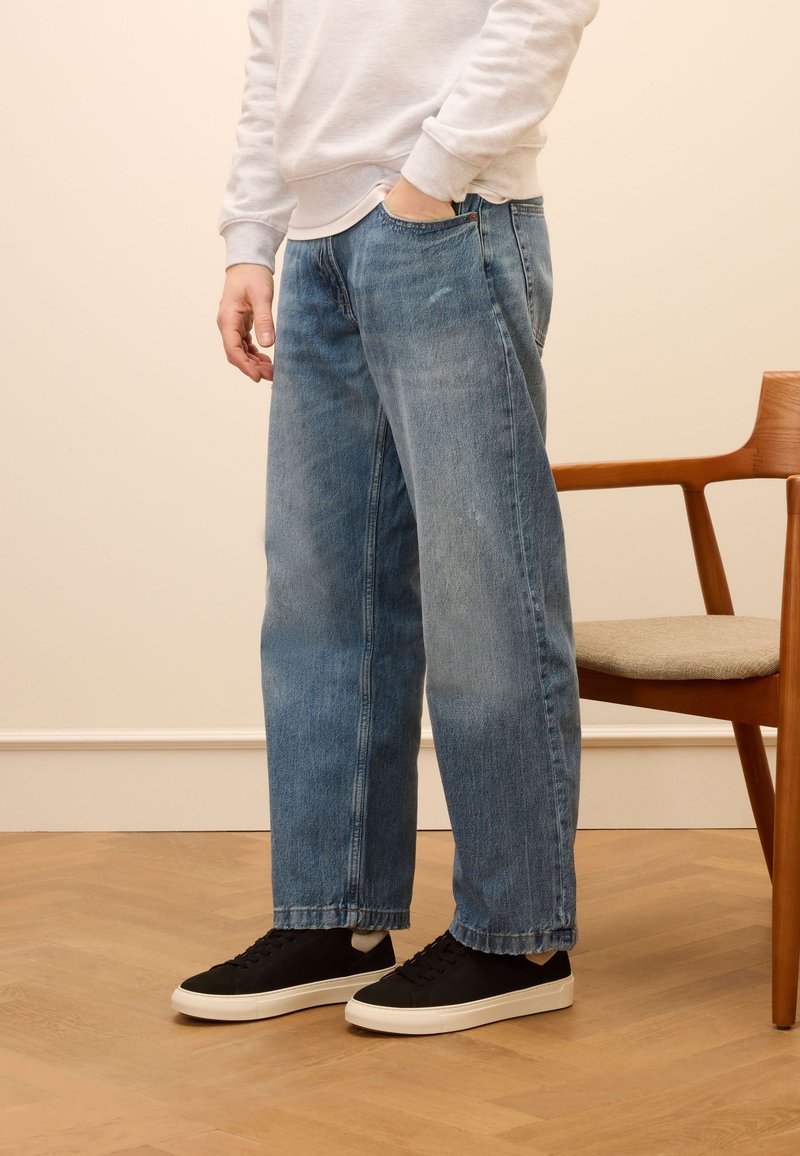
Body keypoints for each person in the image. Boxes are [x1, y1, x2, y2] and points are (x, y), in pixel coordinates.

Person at [172, 0, 600, 1036]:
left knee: (482, 592)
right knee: (318, 600)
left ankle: (518, 936)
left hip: (447, 220)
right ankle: (334, 919)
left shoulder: (437, 194)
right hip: (317, 246)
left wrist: (432, 175)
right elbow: (277, 46)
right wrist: (250, 235)